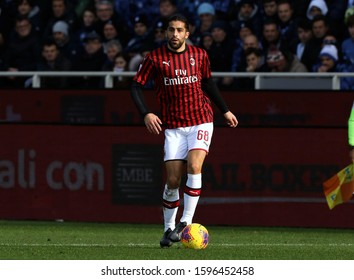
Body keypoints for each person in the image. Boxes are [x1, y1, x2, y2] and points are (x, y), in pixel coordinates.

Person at [130, 13, 238, 248]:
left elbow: (208, 83)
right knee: (172, 180)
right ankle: (168, 229)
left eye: (180, 30)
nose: (175, 34)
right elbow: (136, 85)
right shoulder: (155, 58)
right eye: (171, 30)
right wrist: (146, 113)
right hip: (173, 127)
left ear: (187, 33)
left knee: (195, 166)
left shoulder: (199, 55)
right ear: (166, 32)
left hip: (201, 119)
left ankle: (185, 223)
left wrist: (225, 110)